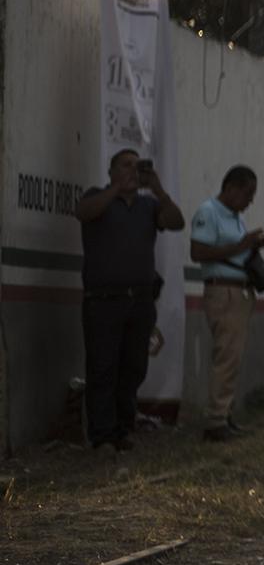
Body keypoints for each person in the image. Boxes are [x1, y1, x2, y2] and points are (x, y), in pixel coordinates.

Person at [74, 148, 185, 451]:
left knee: (133, 367)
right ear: (111, 171)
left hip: (140, 302)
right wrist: (115, 189)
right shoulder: (98, 195)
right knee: (102, 367)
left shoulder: (149, 205)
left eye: (137, 166)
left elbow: (176, 222)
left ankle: (122, 429)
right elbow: (83, 212)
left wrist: (158, 188)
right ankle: (101, 435)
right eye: (126, 165)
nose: (132, 170)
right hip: (103, 300)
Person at [189, 166, 264, 442]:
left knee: (232, 357)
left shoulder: (236, 218)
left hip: (240, 291)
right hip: (223, 292)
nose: (250, 201)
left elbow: (235, 252)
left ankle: (223, 413)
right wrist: (240, 246)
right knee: (226, 356)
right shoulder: (208, 212)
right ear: (231, 188)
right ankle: (215, 420)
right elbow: (198, 252)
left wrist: (253, 246)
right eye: (248, 194)